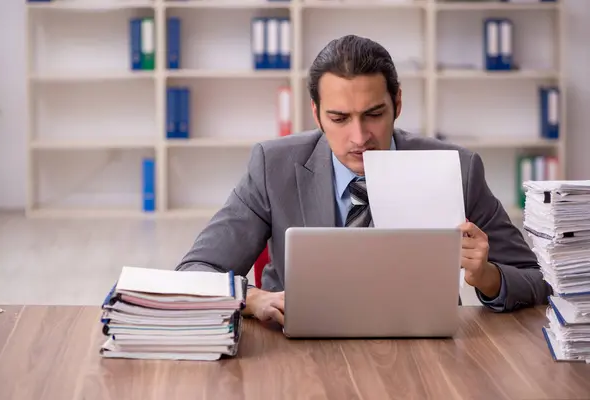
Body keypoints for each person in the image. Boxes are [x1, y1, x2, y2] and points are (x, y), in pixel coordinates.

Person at [175, 34, 551, 326]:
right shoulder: (272, 166)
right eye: (339, 118)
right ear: (317, 114)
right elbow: (194, 273)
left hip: (425, 351)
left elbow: (537, 280)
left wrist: (486, 276)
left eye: (374, 114)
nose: (359, 137)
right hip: (296, 349)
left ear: (397, 104)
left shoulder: (457, 167)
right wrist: (253, 298)